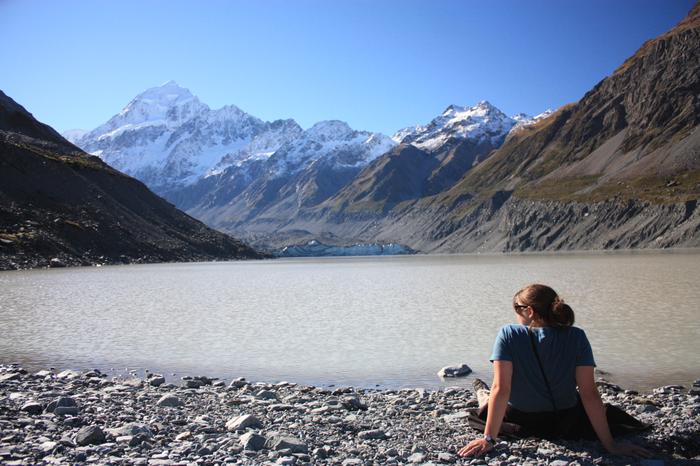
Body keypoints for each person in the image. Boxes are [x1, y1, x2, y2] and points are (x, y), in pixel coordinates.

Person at [457, 284, 652, 458]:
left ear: (530, 311)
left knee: (479, 413)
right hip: (565, 421)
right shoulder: (577, 336)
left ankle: (503, 423)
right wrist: (610, 445)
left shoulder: (508, 334)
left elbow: (501, 388)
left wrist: (489, 439)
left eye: (517, 308)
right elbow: (589, 393)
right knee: (611, 415)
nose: (515, 313)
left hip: (523, 418)